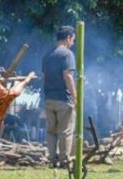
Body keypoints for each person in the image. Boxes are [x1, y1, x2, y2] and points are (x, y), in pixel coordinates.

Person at [42, 25, 77, 168]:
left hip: (49, 99)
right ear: (68, 38)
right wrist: (75, 96)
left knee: (51, 131)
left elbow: (43, 78)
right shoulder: (67, 54)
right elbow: (68, 76)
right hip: (64, 99)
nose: (73, 43)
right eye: (73, 40)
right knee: (65, 131)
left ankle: (52, 159)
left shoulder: (47, 55)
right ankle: (64, 161)